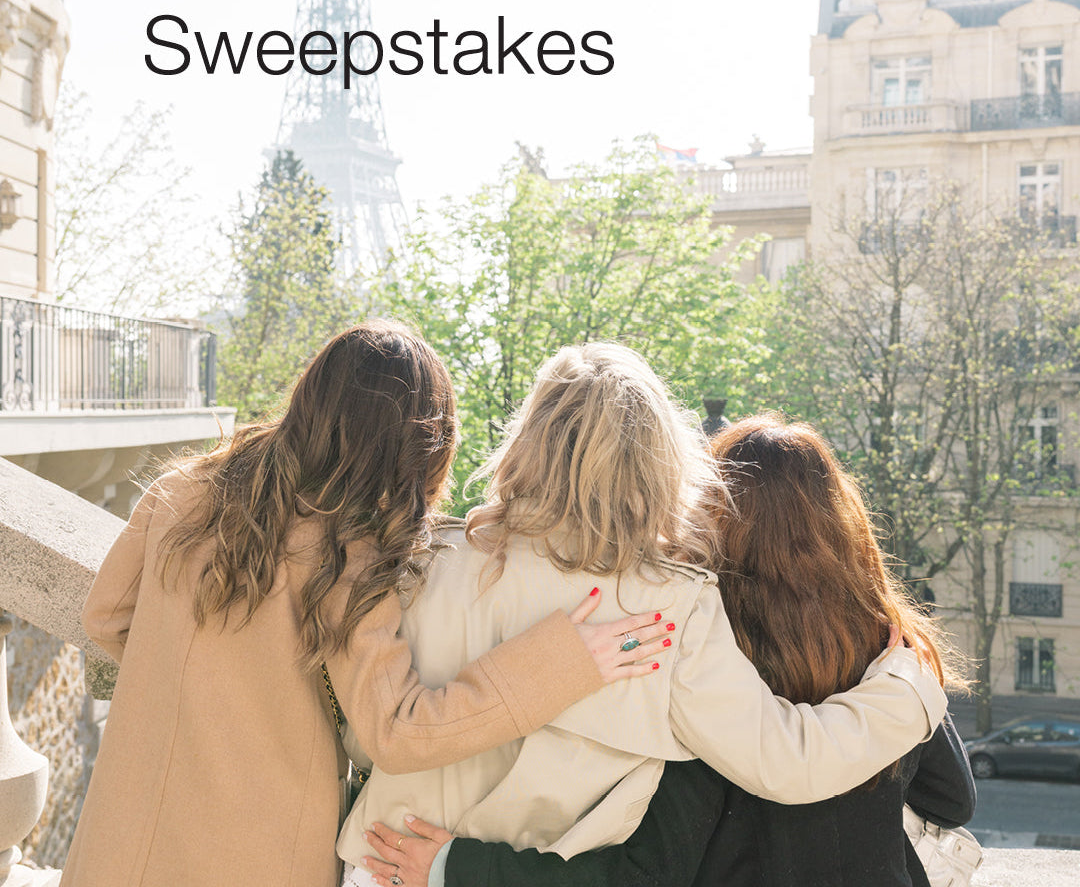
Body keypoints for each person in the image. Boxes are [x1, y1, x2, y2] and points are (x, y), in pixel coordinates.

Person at [61, 322, 670, 887]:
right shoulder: (351, 556)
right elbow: (398, 731)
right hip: (260, 854)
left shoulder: (182, 492)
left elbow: (105, 617)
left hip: (126, 837)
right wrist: (563, 661)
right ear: (417, 445)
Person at [338, 345, 950, 887]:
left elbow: (362, 737)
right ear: (659, 459)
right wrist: (909, 688)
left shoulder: (420, 564)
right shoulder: (671, 608)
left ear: (527, 435)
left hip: (391, 864)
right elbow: (789, 761)